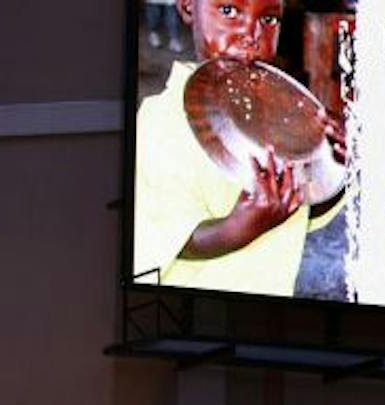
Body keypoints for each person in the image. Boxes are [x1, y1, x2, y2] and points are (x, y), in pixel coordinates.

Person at [133, 0, 347, 296]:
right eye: (229, 11)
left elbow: (302, 206)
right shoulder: (159, 121)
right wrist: (236, 228)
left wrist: (332, 159)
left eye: (269, 19)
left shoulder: (278, 114)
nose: (251, 34)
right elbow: (164, 234)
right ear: (187, 7)